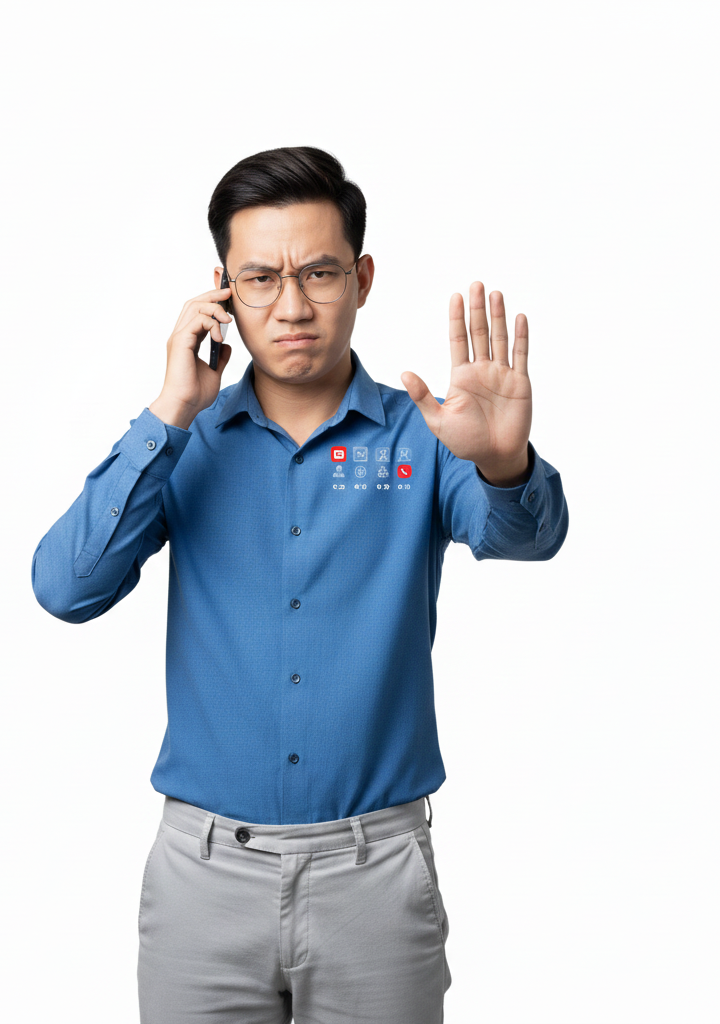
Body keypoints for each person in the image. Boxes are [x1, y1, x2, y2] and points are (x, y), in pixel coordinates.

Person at [30, 145, 568, 1023]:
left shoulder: (428, 435)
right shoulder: (182, 441)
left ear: (361, 279)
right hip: (203, 878)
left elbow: (526, 537)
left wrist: (505, 465)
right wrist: (170, 410)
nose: (292, 307)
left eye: (319, 273)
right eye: (260, 279)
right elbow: (67, 588)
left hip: (375, 875)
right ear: (222, 290)